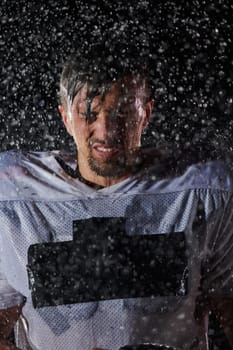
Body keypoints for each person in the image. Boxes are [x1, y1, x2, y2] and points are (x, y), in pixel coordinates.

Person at [0, 42, 232, 350]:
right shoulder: (14, 198)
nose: (106, 130)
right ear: (66, 117)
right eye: (89, 114)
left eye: (122, 111)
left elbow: (226, 299)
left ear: (146, 113)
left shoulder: (203, 193)